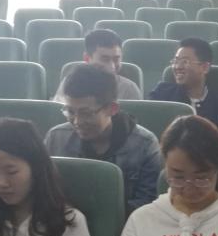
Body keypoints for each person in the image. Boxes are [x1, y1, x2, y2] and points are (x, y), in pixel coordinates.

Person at [45, 64, 161, 214]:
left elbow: (146, 205)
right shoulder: (56, 138)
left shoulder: (145, 144)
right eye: (70, 112)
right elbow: (44, 190)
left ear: (112, 109)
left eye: (86, 113)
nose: (77, 121)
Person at [148, 38, 218, 129]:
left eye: (185, 62)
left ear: (204, 67)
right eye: (176, 61)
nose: (178, 67)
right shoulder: (161, 95)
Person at [52, 28, 142, 102]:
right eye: (105, 59)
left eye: (116, 59)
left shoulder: (129, 89)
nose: (112, 66)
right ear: (87, 58)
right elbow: (59, 114)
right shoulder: (70, 83)